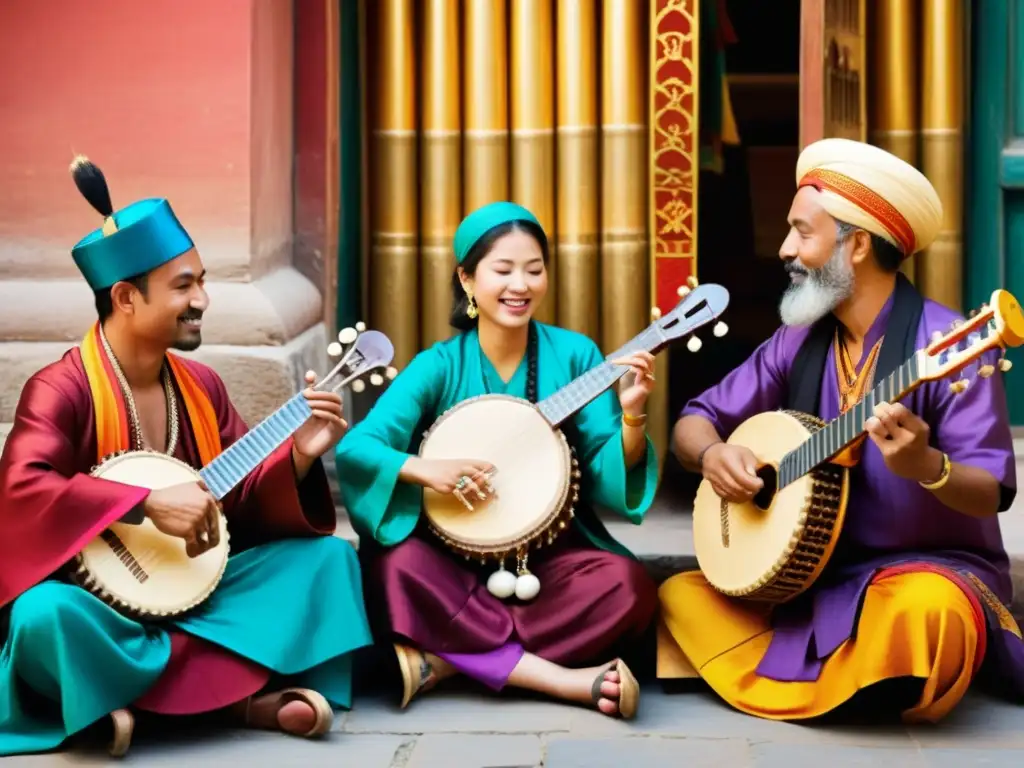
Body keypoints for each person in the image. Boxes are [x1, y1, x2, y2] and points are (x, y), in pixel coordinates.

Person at [0, 157, 372, 758]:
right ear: (124, 296)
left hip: (197, 594)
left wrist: (297, 460)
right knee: (44, 617)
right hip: (98, 609)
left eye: (201, 280)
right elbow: (20, 494)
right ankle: (236, 702)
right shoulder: (60, 389)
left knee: (327, 564)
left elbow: (240, 505)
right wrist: (143, 506)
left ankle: (115, 703)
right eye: (183, 286)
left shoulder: (200, 386)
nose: (203, 298)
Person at [658, 138, 1024, 723]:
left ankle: (802, 679)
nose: (784, 249)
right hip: (807, 578)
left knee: (931, 613)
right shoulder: (798, 339)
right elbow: (693, 423)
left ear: (856, 245)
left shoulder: (951, 346)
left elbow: (992, 490)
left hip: (919, 570)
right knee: (682, 594)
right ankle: (858, 690)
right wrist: (713, 455)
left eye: (802, 232)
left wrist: (928, 467)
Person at [335, 201, 659, 718]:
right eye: (503, 270)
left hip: (548, 557)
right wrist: (426, 470)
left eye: (534, 270)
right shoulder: (438, 365)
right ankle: (564, 682)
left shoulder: (576, 356)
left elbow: (604, 470)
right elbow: (358, 448)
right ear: (466, 279)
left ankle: (444, 662)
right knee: (394, 568)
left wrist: (634, 419)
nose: (521, 285)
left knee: (628, 587)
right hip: (452, 562)